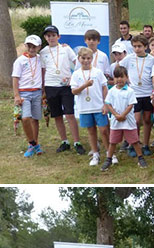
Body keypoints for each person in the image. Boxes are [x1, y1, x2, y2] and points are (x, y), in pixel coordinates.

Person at [41, 25, 84, 155]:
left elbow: (77, 62)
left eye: (54, 35)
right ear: (45, 38)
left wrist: (73, 77)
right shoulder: (43, 52)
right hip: (50, 86)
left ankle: (77, 142)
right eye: (48, 35)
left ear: (58, 36)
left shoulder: (66, 49)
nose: (51, 38)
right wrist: (43, 89)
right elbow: (43, 71)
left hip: (65, 86)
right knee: (57, 115)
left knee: (70, 114)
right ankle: (64, 141)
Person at [101, 65, 147, 171]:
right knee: (112, 142)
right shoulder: (112, 91)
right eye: (116, 77)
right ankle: (108, 159)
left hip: (128, 121)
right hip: (116, 121)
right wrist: (116, 115)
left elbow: (131, 105)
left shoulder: (130, 91)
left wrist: (123, 115)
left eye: (122, 77)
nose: (119, 79)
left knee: (134, 141)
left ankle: (140, 158)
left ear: (126, 77)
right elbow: (108, 104)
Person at [70, 47, 109, 167]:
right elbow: (74, 91)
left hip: (98, 106)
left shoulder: (97, 72)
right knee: (91, 131)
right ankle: (95, 153)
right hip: (85, 107)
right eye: (83, 58)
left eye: (88, 58)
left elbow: (104, 87)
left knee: (104, 130)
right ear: (79, 59)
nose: (86, 61)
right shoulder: (76, 74)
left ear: (92, 59)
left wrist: (105, 103)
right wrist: (85, 85)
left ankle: (109, 153)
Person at [120, 35, 154, 156]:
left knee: (147, 120)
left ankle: (145, 144)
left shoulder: (152, 59)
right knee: (135, 121)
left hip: (148, 93)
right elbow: (119, 67)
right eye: (134, 46)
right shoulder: (129, 58)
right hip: (134, 94)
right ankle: (134, 144)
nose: (137, 49)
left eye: (139, 46)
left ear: (145, 47)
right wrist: (126, 79)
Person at [13, 35, 44, 158]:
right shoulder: (20, 60)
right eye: (29, 46)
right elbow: (15, 78)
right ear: (26, 46)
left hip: (37, 91)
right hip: (24, 93)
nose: (31, 49)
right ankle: (32, 143)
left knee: (35, 119)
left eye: (34, 46)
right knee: (25, 118)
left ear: (39, 47)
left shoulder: (40, 58)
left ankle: (35, 144)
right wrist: (16, 95)